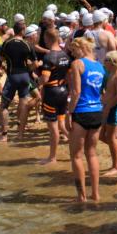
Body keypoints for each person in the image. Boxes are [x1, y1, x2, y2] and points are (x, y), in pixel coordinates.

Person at [66, 36, 106, 203]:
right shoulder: (100, 66)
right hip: (97, 111)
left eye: (74, 51)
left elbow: (76, 92)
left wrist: (69, 112)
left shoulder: (78, 64)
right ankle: (95, 194)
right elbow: (101, 92)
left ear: (81, 48)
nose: (73, 55)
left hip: (81, 111)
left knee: (76, 156)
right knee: (92, 154)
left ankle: (81, 196)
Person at [0, 24, 38, 142]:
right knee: (23, 101)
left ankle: (4, 135)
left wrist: (6, 67)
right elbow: (35, 64)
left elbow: (2, 58)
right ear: (23, 31)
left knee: (4, 106)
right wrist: (29, 69)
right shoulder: (27, 45)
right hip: (24, 76)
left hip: (12, 76)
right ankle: (20, 132)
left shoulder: (7, 43)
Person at [37, 28, 70, 164]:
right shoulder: (65, 55)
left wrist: (37, 81)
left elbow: (45, 79)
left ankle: (52, 157)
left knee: (53, 127)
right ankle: (78, 147)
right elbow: (68, 76)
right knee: (62, 124)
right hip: (63, 91)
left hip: (52, 93)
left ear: (48, 39)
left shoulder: (49, 56)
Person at [100, 50, 117, 176]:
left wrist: (108, 106)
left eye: (106, 60)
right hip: (107, 107)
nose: (104, 62)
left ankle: (116, 166)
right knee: (101, 135)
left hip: (113, 108)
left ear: (113, 62)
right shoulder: (110, 73)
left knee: (110, 138)